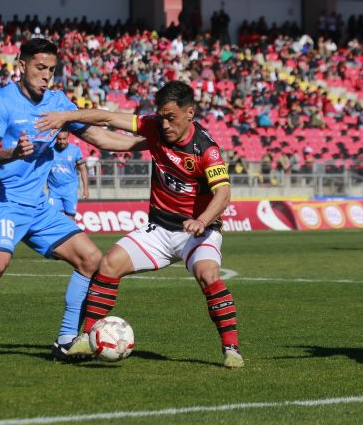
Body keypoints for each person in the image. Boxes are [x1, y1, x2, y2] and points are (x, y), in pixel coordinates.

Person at [0, 38, 144, 369]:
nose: (47, 75)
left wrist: (145, 143)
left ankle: (67, 341)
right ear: (22, 66)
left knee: (91, 259)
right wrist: (12, 152)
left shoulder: (58, 103)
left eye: (52, 69)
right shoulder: (3, 102)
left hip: (40, 207)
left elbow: (99, 137)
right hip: (4, 201)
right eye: (40, 68)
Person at [35, 81, 244, 368]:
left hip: (198, 232)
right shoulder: (153, 126)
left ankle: (231, 350)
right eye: (162, 116)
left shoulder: (207, 149)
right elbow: (108, 117)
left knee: (208, 274)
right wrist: (66, 116)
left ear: (190, 113)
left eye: (171, 117)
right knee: (108, 264)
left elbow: (223, 193)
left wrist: (202, 220)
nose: (166, 124)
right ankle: (87, 336)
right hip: (158, 229)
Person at [47, 131, 89, 217]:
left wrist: (86, 189)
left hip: (70, 190)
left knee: (70, 216)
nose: (61, 141)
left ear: (68, 138)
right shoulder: (49, 150)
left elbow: (83, 169)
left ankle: (70, 230)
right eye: (59, 139)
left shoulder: (75, 150)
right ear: (56, 138)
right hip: (54, 190)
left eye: (64, 139)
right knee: (53, 217)